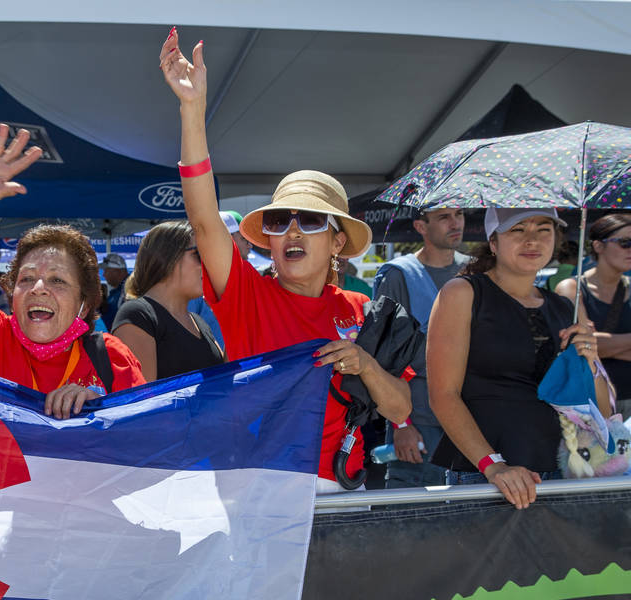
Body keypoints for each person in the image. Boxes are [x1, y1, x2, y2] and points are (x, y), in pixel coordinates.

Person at [160, 30, 410, 488]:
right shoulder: (246, 296)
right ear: (268, 241)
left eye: (311, 221)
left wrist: (367, 365)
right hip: (260, 496)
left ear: (337, 243)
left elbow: (400, 408)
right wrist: (192, 112)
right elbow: (203, 222)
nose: (292, 231)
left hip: (340, 493)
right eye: (279, 222)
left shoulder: (361, 311)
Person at [0, 124, 145, 418]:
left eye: (58, 280)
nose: (39, 288)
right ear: (12, 295)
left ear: (84, 304)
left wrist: (101, 406)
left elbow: (147, 438)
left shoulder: (111, 357)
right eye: (27, 279)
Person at [427, 207, 607, 509]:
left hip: (564, 471)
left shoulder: (566, 307)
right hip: (487, 477)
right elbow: (443, 395)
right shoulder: (463, 292)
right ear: (494, 242)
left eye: (543, 230)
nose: (532, 240)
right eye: (518, 230)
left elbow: (598, 409)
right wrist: (493, 465)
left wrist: (591, 361)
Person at [372, 208, 470, 488]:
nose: (455, 223)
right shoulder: (398, 275)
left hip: (470, 420)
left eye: (460, 214)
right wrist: (401, 425)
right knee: (415, 521)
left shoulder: (477, 270)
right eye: (444, 217)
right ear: (420, 226)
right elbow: (382, 358)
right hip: (419, 423)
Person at [111, 221, 224, 381]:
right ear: (168, 257)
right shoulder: (138, 316)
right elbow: (141, 400)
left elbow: (223, 380)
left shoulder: (199, 322)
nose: (206, 264)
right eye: (199, 254)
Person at [555, 214, 631, 416]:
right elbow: (580, 347)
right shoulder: (572, 288)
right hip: (590, 407)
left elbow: (593, 346)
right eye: (625, 242)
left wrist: (600, 345)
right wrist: (594, 345)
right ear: (598, 246)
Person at [99, 254, 129, 330]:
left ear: (119, 271)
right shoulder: (118, 291)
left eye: (107, 270)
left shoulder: (127, 289)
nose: (104, 275)